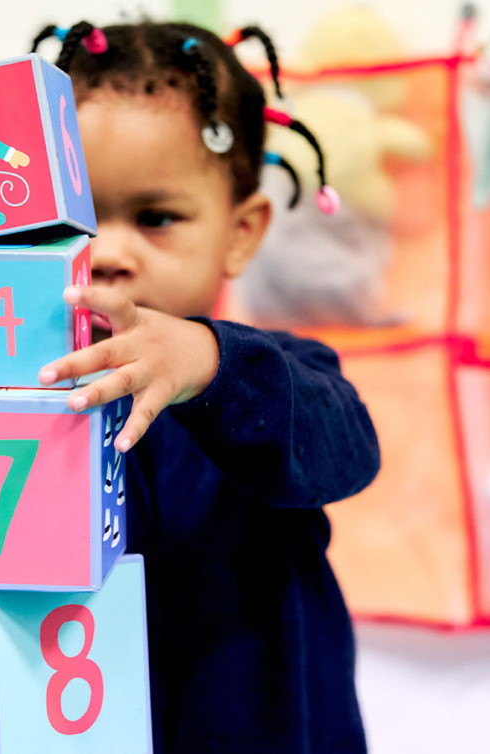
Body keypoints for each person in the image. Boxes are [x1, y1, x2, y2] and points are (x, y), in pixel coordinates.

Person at [36, 20, 380, 754]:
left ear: (241, 231)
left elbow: (349, 449)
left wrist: (211, 365)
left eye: (156, 218)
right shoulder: (26, 387)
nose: (111, 253)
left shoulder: (278, 371)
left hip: (271, 727)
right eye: (79, 219)